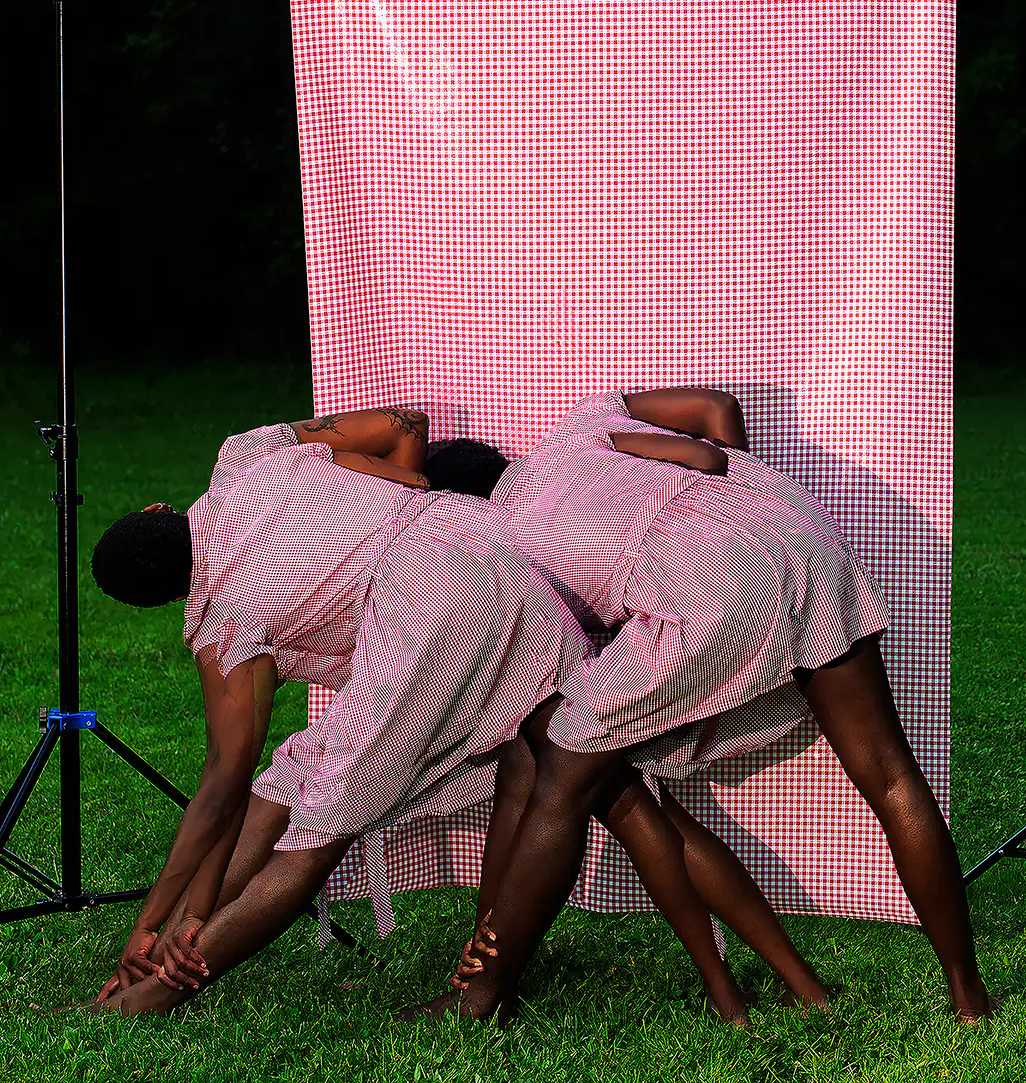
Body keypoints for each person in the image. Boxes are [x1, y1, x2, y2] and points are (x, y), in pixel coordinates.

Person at [84, 406, 801, 1022]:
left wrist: (159, 919)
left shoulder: (222, 619)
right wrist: (400, 492)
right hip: (499, 556)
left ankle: (156, 990)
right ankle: (501, 988)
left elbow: (221, 784)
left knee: (320, 822)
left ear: (170, 597)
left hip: (422, 605)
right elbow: (404, 424)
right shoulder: (247, 456)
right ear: (157, 511)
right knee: (594, 784)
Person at [413, 388, 996, 1025]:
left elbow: (542, 656)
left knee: (561, 767)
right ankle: (968, 994)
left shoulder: (498, 541)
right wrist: (729, 520)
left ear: (457, 506)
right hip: (797, 531)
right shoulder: (577, 429)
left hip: (705, 586)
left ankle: (483, 996)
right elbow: (715, 411)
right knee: (890, 775)